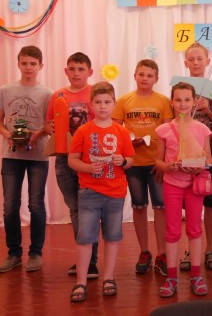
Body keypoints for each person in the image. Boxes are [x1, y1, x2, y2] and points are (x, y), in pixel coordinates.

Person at [67, 82, 135, 302]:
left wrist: (122, 161)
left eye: (107, 102)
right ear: (91, 105)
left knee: (113, 236)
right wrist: (88, 168)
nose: (103, 106)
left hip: (115, 192)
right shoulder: (83, 131)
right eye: (98, 102)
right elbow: (72, 160)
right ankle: (81, 281)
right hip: (89, 192)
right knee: (85, 237)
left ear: (114, 104)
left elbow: (130, 160)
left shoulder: (122, 131)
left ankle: (108, 277)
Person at [0, 45, 52, 273]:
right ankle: (14, 254)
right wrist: (9, 135)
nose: (28, 67)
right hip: (11, 156)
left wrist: (36, 135)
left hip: (38, 156)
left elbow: (49, 126)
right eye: (25, 63)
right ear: (18, 64)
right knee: (10, 207)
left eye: (33, 64)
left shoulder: (47, 94)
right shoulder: (5, 90)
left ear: (41, 66)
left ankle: (36, 253)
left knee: (36, 205)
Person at [112, 59, 173, 275]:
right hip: (134, 164)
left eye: (149, 75)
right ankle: (144, 251)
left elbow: (168, 133)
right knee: (138, 206)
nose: (145, 78)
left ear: (156, 78)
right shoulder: (123, 100)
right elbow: (115, 130)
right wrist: (130, 141)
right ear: (134, 76)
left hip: (156, 162)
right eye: (141, 74)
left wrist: (162, 161)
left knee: (160, 207)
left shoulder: (163, 101)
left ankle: (162, 253)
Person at [44, 52, 99, 278]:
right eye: (72, 69)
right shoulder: (57, 95)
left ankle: (92, 261)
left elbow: (106, 120)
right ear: (66, 71)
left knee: (90, 208)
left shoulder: (96, 93)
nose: (76, 73)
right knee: (75, 209)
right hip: (64, 159)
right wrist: (49, 128)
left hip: (90, 159)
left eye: (81, 69)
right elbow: (48, 124)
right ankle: (83, 260)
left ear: (90, 72)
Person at [155, 82, 212, 298]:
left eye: (187, 99)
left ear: (194, 102)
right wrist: (168, 167)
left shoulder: (202, 129)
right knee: (172, 231)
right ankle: (171, 277)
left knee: (195, 229)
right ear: (171, 102)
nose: (182, 104)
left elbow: (208, 160)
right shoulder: (164, 129)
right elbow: (158, 161)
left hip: (194, 186)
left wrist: (197, 166)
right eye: (178, 100)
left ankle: (196, 276)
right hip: (172, 184)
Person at [178, 43, 212, 272]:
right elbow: (173, 118)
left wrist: (208, 110)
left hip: (210, 150)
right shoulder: (180, 88)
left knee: (211, 200)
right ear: (185, 63)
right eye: (191, 59)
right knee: (190, 201)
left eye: (200, 59)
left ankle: (210, 248)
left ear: (207, 61)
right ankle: (191, 249)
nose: (196, 63)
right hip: (186, 150)